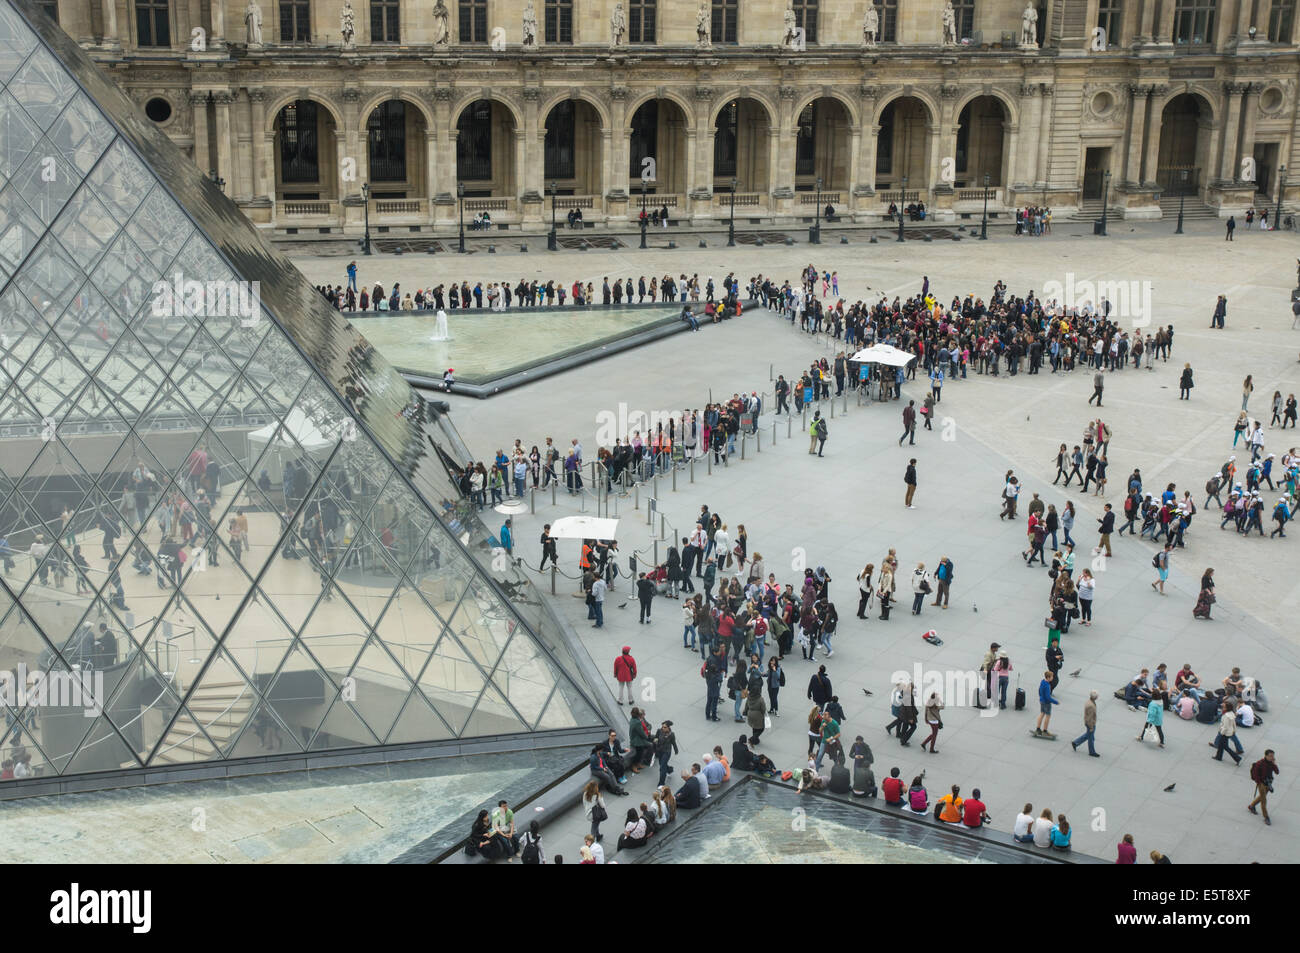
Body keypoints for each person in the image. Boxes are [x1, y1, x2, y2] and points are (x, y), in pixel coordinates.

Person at [1248, 750, 1279, 825]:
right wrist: (1260, 783)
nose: (1272, 757)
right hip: (1262, 784)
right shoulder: (1260, 764)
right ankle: (1266, 817)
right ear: (1266, 756)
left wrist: (1274, 763)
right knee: (1264, 801)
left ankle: (1251, 806)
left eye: (1273, 756)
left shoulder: (1271, 763)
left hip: (1268, 784)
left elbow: (1277, 772)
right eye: (1270, 756)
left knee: (1262, 797)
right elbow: (1255, 775)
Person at [1071, 690, 1100, 757]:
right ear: (1095, 698)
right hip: (1090, 724)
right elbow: (1089, 718)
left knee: (1088, 735)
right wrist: (1091, 727)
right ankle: (1092, 752)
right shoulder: (1091, 706)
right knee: (1091, 738)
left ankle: (1075, 743)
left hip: (1089, 723)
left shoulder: (1089, 702)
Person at [1034, 671, 1058, 736]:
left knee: (1042, 714)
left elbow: (1039, 691)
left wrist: (1041, 697)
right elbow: (1048, 697)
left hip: (1042, 701)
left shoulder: (1042, 682)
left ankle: (1038, 729)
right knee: (1048, 716)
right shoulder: (1047, 685)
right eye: (1052, 677)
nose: (1053, 678)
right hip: (1046, 703)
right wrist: (1055, 702)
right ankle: (1045, 730)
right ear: (1048, 678)